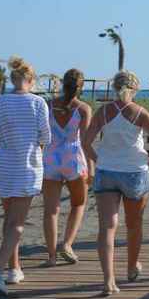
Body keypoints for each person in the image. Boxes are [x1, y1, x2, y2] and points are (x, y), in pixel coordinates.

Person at [82, 70, 149, 296]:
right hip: (134, 171)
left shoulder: (103, 111)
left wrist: (99, 160)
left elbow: (86, 142)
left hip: (107, 171)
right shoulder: (139, 112)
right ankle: (131, 267)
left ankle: (108, 281)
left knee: (107, 227)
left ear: (114, 88)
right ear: (135, 89)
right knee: (134, 224)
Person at [0, 56, 50, 296]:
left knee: (9, 219)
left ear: (12, 79)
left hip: (4, 167)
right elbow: (45, 137)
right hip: (27, 167)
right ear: (30, 80)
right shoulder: (38, 103)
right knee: (17, 224)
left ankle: (14, 268)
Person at [42, 69, 92, 267]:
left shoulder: (48, 105)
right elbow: (86, 141)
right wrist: (92, 168)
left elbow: (42, 135)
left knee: (51, 210)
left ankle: (52, 256)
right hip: (74, 159)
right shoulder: (83, 109)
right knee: (78, 204)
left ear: (62, 84)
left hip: (51, 158)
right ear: (81, 86)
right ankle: (68, 244)